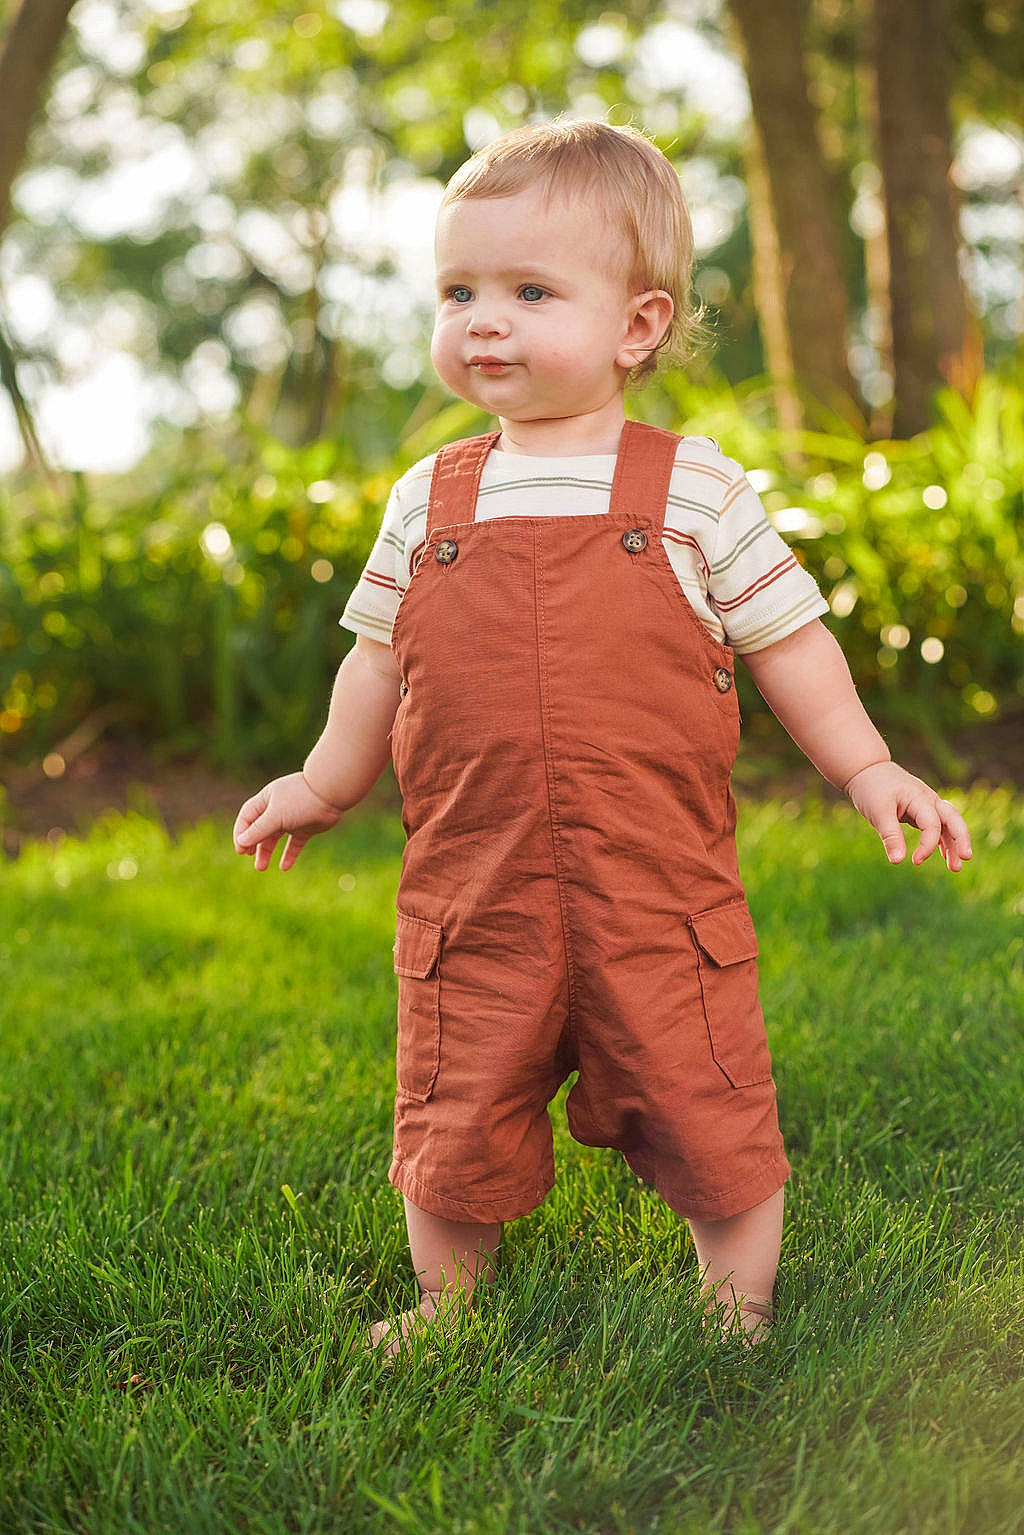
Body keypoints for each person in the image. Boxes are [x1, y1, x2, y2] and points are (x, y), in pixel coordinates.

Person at [233, 118, 973, 1358]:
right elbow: (377, 658)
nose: (484, 321)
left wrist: (864, 764)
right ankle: (448, 1301)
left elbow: (790, 642)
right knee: (455, 1097)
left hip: (655, 887)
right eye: (459, 292)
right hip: (475, 887)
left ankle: (733, 1310)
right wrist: (324, 778)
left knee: (704, 1094)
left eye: (529, 292)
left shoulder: (694, 489)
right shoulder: (427, 496)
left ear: (638, 324)